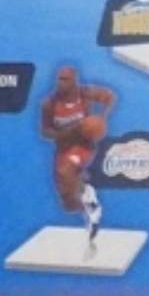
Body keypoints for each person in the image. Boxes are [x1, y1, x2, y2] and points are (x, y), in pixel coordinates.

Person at [38, 66, 116, 246]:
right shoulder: (49, 104)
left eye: (65, 79)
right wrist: (62, 134)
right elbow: (45, 131)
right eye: (59, 79)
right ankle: (89, 213)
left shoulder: (85, 94)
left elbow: (110, 96)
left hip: (83, 145)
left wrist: (102, 119)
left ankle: (90, 200)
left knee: (66, 171)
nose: (60, 83)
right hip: (63, 147)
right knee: (68, 204)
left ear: (74, 81)